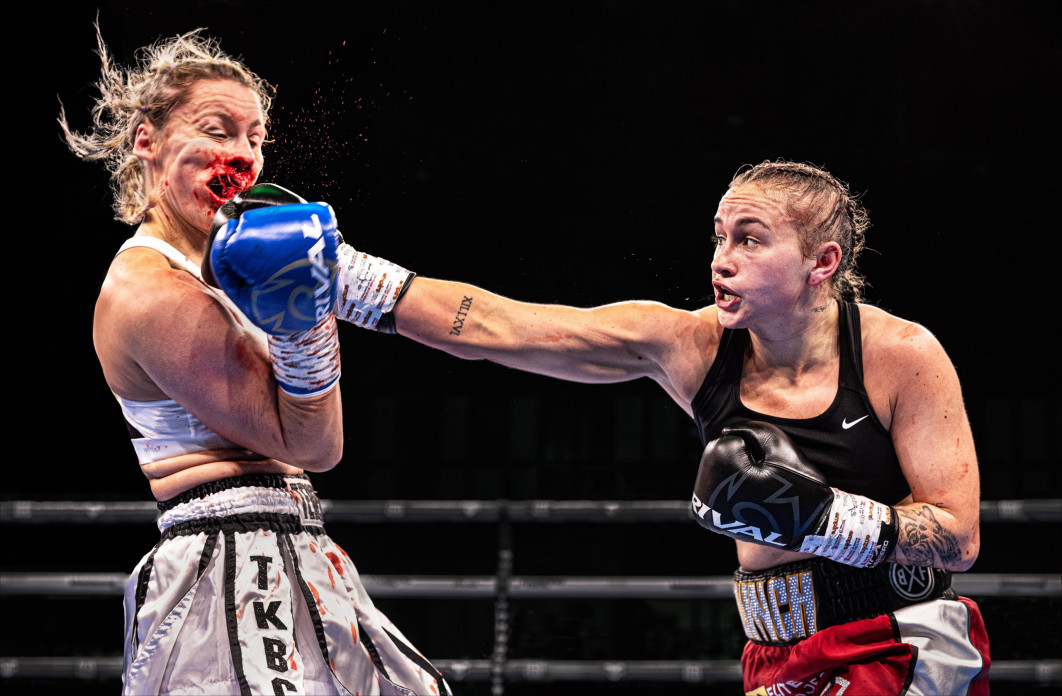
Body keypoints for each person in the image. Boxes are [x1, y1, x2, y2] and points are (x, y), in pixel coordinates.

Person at [337, 159, 990, 695]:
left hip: (897, 639)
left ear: (821, 262)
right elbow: (497, 327)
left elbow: (957, 538)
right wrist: (341, 278)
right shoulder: (693, 345)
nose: (721, 259)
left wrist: (816, 516)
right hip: (775, 655)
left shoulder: (899, 356)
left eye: (750, 239)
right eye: (719, 236)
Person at [60, 24, 449, 696]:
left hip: (292, 543)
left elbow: (449, 321)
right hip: (220, 563)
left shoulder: (239, 259)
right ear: (145, 140)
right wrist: (307, 326)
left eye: (255, 138)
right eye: (218, 129)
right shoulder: (149, 288)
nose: (242, 156)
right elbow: (313, 441)